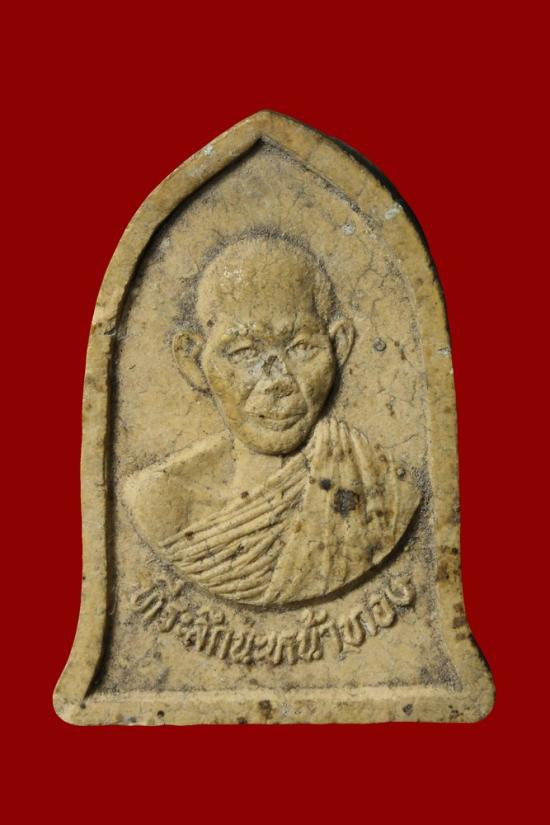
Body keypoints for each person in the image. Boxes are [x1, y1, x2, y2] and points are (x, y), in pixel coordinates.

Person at [124, 232, 420, 607]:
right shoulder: (159, 500)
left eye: (301, 348)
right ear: (193, 360)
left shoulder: (386, 490)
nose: (278, 380)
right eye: (244, 351)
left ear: (339, 346)